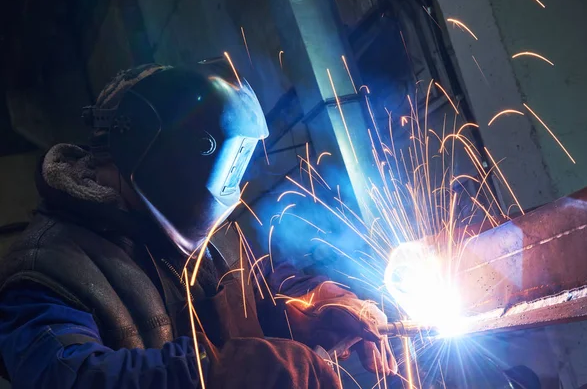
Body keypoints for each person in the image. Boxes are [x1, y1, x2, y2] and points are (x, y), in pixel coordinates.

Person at [0, 63, 397, 388]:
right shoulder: (40, 273)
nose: (230, 186)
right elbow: (76, 379)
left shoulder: (202, 237)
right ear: (160, 156)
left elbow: (246, 308)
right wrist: (221, 372)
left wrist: (304, 314)